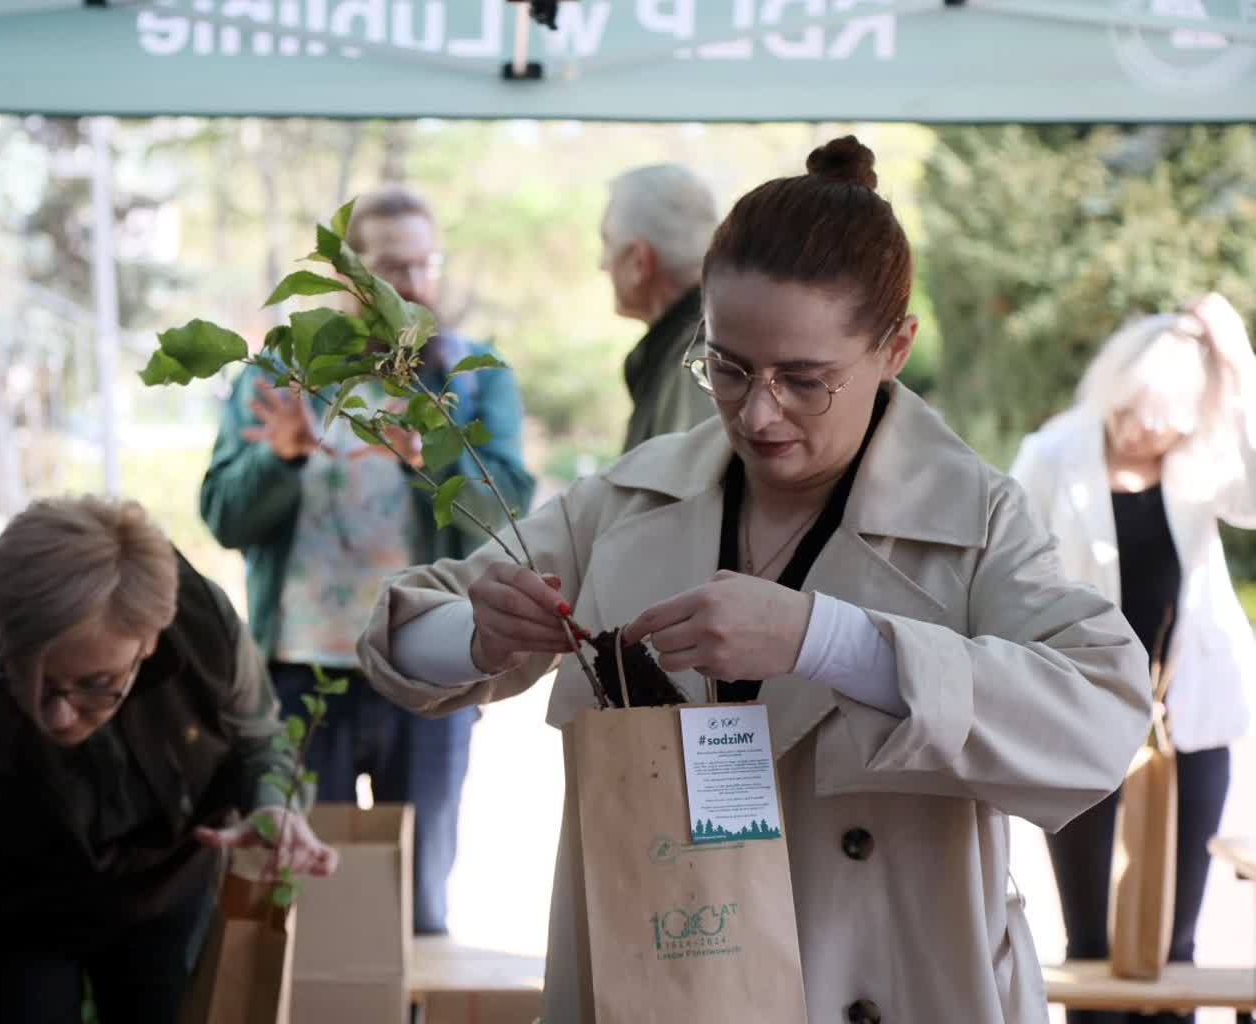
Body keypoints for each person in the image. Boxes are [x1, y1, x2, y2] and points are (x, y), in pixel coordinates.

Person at [356, 137, 1152, 1023]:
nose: (757, 411)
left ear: (894, 348)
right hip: (657, 981)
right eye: (726, 366)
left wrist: (828, 641)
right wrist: (476, 632)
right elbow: (399, 636)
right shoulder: (628, 499)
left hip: (885, 982)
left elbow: (1101, 715)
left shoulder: (976, 521)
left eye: (804, 379)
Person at [0, 497, 337, 1024]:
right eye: (25, 678)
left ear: (148, 642)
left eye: (97, 687)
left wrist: (273, 804)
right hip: (11, 914)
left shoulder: (205, 629)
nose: (55, 715)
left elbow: (260, 741)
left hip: (166, 892)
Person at [200, 185, 536, 935]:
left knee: (415, 903)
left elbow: (508, 510)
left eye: (426, 264)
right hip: (297, 674)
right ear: (348, 278)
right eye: (393, 268)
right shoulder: (281, 375)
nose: (414, 285)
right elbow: (224, 514)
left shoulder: (469, 379)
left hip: (427, 671)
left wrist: (432, 458)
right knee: (297, 900)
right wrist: (280, 462)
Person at [1010, 293, 1256, 1024]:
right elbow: (1005, 577)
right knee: (1091, 942)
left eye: (1166, 416)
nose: (1146, 429)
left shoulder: (1203, 458)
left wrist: (1238, 360)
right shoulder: (1052, 455)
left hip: (1188, 720)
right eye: (1136, 409)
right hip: (1083, 715)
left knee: (1172, 942)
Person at [599, 163, 720, 452]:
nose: (601, 265)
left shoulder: (698, 364)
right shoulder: (708, 347)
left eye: (607, 244)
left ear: (640, 261)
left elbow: (692, 494)